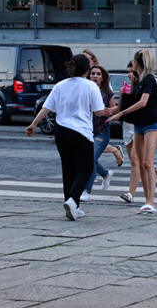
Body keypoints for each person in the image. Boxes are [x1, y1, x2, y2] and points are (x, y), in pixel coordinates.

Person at [25, 54, 106, 220]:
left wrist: (33, 124)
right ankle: (73, 199)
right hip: (81, 132)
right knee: (86, 168)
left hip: (61, 131)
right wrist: (113, 110)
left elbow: (46, 107)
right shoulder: (90, 86)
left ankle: (72, 205)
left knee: (68, 168)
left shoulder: (60, 85)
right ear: (86, 69)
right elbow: (99, 111)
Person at [106, 49, 157, 214]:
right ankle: (148, 202)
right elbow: (131, 100)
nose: (132, 63)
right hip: (139, 125)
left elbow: (143, 102)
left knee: (147, 163)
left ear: (138, 62)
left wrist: (121, 113)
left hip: (151, 125)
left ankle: (151, 202)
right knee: (141, 164)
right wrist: (132, 84)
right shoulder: (139, 80)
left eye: (134, 61)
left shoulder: (149, 79)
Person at [115, 62, 157, 203]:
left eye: (132, 71)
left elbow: (155, 101)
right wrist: (106, 113)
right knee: (138, 162)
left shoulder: (146, 83)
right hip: (131, 127)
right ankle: (148, 184)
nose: (130, 74)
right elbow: (118, 108)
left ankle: (132, 193)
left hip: (146, 125)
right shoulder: (126, 89)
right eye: (128, 72)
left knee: (139, 161)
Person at [80, 65, 116, 202]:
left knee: (91, 158)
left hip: (102, 132)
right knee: (90, 159)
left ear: (102, 77)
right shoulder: (85, 90)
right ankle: (106, 174)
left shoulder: (107, 92)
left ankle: (86, 190)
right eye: (92, 73)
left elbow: (116, 109)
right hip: (86, 130)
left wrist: (108, 111)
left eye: (98, 74)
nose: (95, 76)